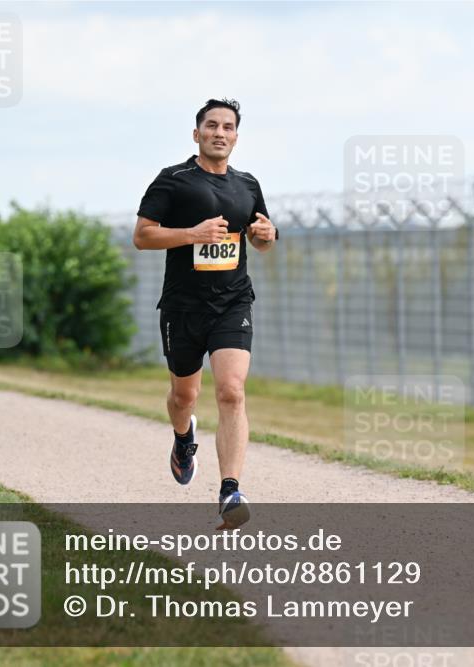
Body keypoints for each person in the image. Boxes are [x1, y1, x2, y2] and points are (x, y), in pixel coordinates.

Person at [132, 98, 278, 530]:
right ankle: (183, 438)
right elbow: (142, 236)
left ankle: (230, 490)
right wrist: (192, 234)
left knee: (231, 391)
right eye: (211, 125)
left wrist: (267, 235)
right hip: (183, 307)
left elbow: (260, 240)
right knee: (185, 397)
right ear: (197, 134)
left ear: (236, 137)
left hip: (233, 303)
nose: (220, 132)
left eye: (228, 127)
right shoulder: (173, 180)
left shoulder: (247, 184)